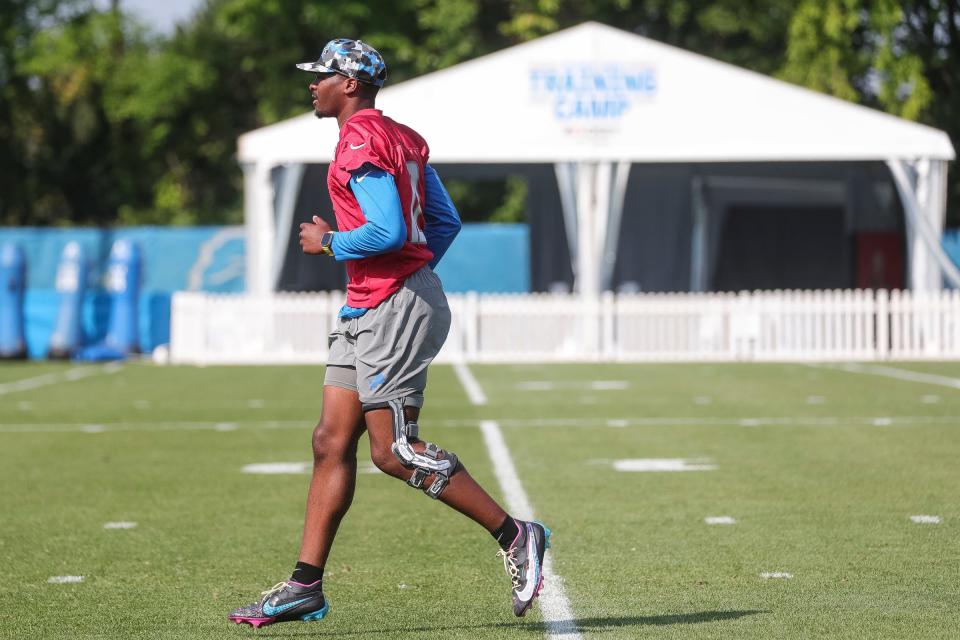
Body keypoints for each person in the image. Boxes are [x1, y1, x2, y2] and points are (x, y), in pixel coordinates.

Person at [228, 38, 551, 629]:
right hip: (372, 303)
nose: (312, 85)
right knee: (331, 440)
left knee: (394, 452)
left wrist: (332, 244)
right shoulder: (401, 134)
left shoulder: (357, 139)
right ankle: (305, 586)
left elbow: (389, 229)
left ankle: (516, 535)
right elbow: (442, 222)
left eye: (321, 75)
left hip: (391, 305)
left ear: (349, 83)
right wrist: (414, 269)